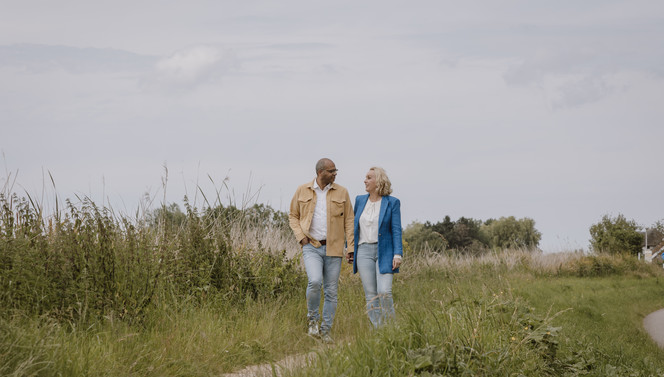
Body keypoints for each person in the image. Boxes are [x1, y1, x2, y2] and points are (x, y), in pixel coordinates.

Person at [289, 158, 354, 343]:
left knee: (332, 291)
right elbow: (293, 215)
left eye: (335, 171)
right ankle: (312, 321)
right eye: (332, 171)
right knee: (315, 281)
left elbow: (349, 220)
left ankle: (326, 331)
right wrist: (301, 237)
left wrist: (350, 246)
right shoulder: (302, 190)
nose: (335, 174)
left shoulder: (342, 192)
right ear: (320, 173)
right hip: (312, 246)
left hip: (334, 247)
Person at [347, 167, 403, 328]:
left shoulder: (392, 202)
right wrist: (349, 248)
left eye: (369, 177)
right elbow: (353, 227)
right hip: (363, 251)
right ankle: (378, 331)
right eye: (365, 177)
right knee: (371, 295)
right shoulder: (359, 200)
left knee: (384, 292)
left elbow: (396, 229)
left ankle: (391, 329)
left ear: (378, 181)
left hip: (385, 251)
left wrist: (398, 254)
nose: (365, 180)